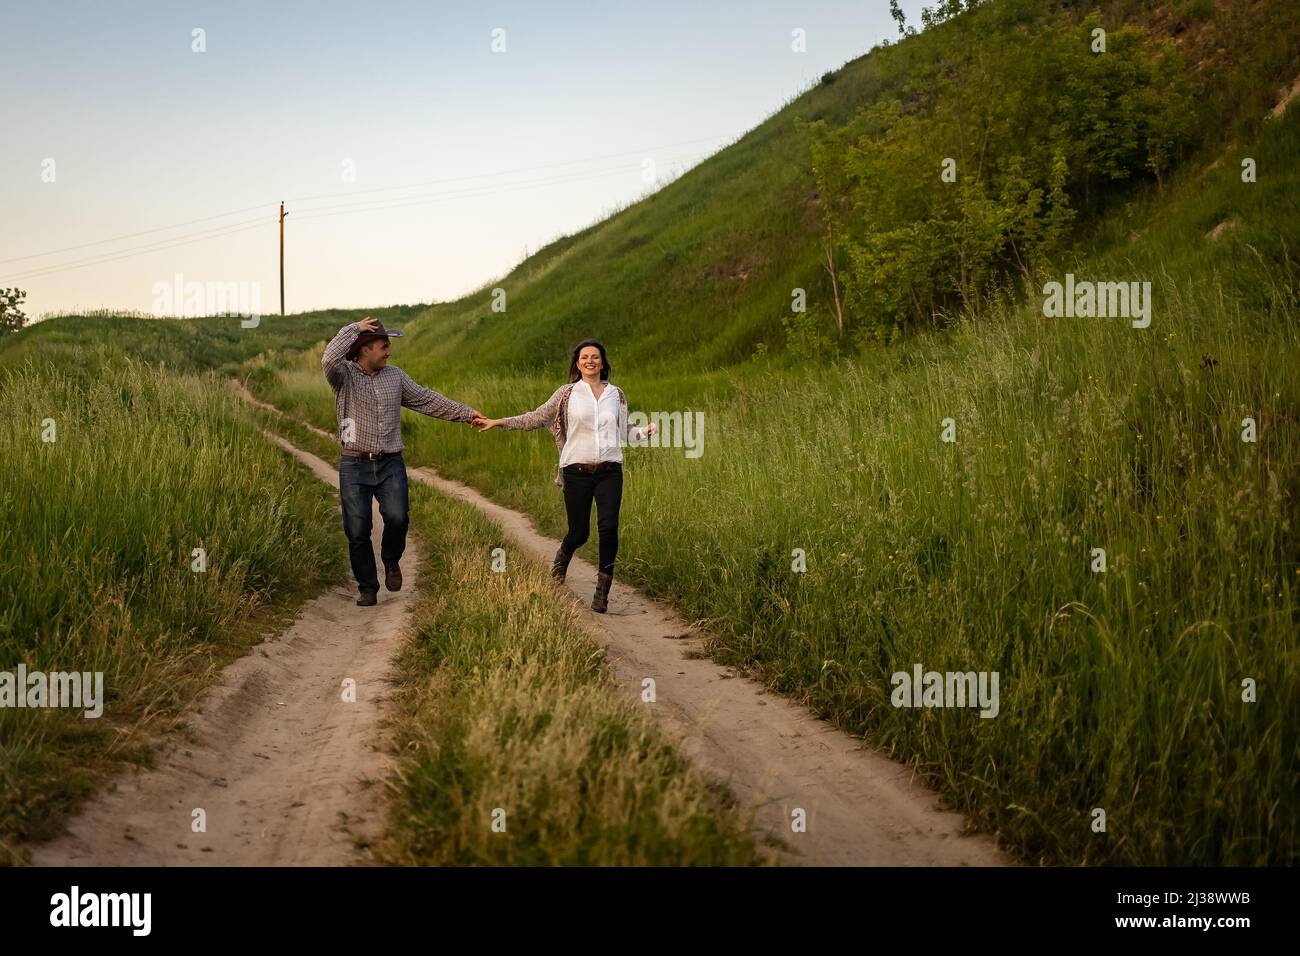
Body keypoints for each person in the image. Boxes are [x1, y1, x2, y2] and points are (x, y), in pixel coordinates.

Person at [472, 340, 653, 613]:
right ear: (578, 363)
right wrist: (499, 422)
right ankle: (563, 555)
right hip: (576, 472)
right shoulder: (566, 394)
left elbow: (625, 430)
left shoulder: (617, 394)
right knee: (579, 532)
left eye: (595, 357)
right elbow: (535, 417)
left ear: (602, 363)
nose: (590, 361)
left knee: (609, 527)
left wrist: (643, 433)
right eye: (584, 357)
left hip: (610, 471)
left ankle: (602, 590)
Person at [322, 316, 481, 606]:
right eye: (384, 346)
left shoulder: (395, 376)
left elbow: (427, 399)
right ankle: (367, 587)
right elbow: (328, 359)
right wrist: (353, 328)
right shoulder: (343, 376)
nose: (389, 351)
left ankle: (391, 560)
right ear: (364, 349)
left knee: (397, 517)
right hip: (354, 465)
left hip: (390, 463)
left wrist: (466, 414)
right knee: (357, 530)